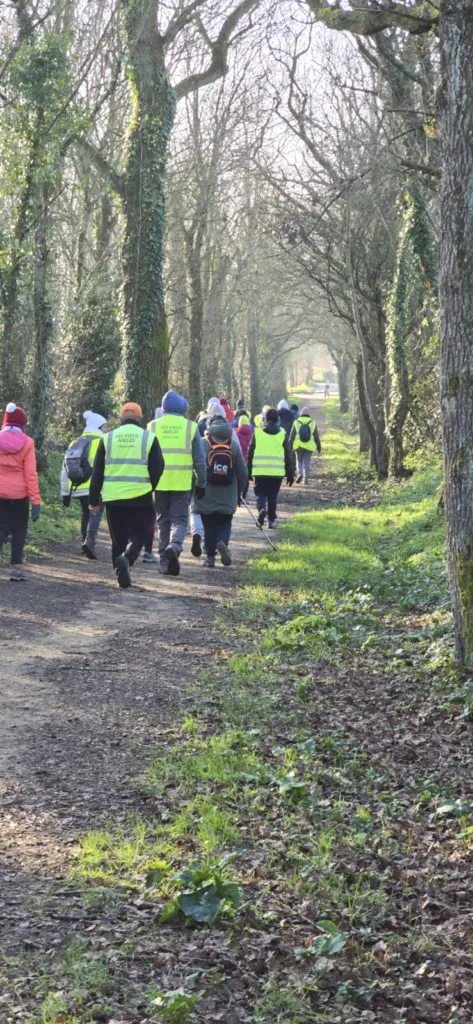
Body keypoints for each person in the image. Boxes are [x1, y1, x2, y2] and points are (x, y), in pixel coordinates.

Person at [89, 402, 164, 588]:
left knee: (118, 538)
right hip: (141, 495)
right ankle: (128, 558)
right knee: (142, 533)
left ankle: (119, 571)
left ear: (121, 418)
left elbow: (97, 471)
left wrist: (93, 499)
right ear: (139, 418)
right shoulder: (148, 437)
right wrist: (150, 486)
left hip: (113, 497)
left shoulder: (108, 438)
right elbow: (158, 467)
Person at [148, 390, 206, 576]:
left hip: (158, 483)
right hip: (181, 483)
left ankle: (165, 562)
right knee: (179, 520)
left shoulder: (152, 426)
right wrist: (202, 483)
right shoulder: (191, 427)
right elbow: (199, 460)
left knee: (162, 520)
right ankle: (175, 546)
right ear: (182, 408)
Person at [193, 413, 248, 568]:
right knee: (225, 522)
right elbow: (243, 472)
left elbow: (196, 466)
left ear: (210, 426)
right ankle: (223, 542)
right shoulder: (233, 445)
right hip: (228, 494)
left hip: (206, 494)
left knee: (209, 526)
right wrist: (239, 491)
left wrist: (194, 488)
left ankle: (210, 558)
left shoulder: (203, 443)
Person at [0, 403, 41, 581]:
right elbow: (30, 474)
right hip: (20, 495)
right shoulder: (28, 443)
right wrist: (35, 501)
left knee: (1, 529)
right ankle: (16, 570)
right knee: (19, 531)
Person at [61, 410, 107, 560]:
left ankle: (84, 541)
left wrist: (65, 492)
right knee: (95, 512)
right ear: (99, 427)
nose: (105, 430)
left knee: (85, 512)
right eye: (104, 427)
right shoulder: (103, 441)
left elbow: (65, 469)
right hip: (96, 486)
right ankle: (89, 541)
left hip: (78, 485)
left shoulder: (75, 443)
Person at [247, 407, 294, 529]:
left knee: (260, 493)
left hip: (260, 471)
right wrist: (290, 473)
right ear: (278, 419)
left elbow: (250, 452)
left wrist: (248, 470)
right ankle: (271, 520)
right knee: (272, 495)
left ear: (265, 419)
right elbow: (288, 455)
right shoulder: (282, 433)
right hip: (277, 472)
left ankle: (262, 509)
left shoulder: (257, 432)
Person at [142, 407, 163, 564]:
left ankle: (130, 547)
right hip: (159, 483)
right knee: (151, 520)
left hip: (144, 484)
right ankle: (148, 551)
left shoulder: (147, 432)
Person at [290, 406, 321, 484]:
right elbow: (316, 436)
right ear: (308, 414)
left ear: (301, 414)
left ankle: (299, 473)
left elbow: (292, 435)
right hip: (309, 446)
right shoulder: (312, 423)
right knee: (307, 462)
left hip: (298, 446)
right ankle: (305, 479)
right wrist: (318, 446)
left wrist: (289, 446)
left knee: (299, 461)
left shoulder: (296, 422)